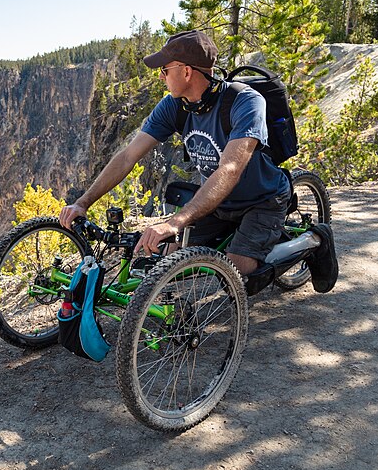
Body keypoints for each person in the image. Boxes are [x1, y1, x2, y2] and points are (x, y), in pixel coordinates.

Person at [59, 29, 337, 292]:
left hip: (262, 199)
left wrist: (175, 222)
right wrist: (83, 202)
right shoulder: (173, 106)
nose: (161, 77)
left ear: (187, 71)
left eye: (164, 70)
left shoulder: (245, 102)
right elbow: (128, 157)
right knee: (165, 254)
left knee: (238, 274)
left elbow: (229, 169)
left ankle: (314, 240)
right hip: (215, 204)